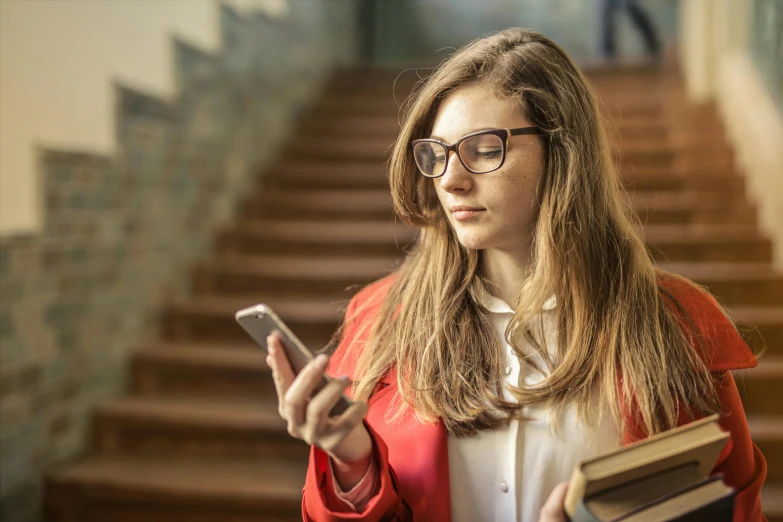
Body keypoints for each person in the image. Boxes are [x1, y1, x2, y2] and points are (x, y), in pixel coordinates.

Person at [266, 28, 767, 521]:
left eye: (484, 150)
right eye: (437, 154)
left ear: (562, 154)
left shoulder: (676, 325)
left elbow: (733, 510)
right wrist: (352, 464)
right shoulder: (381, 319)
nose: (451, 180)